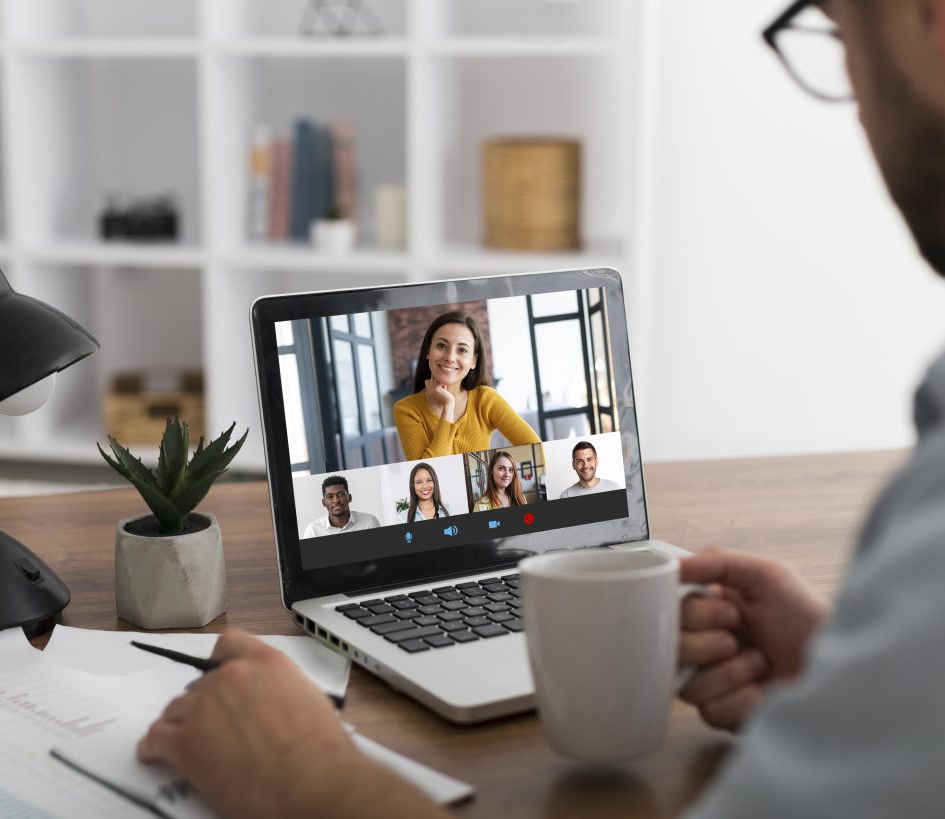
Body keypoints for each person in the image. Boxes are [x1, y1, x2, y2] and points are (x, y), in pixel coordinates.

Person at [139, 2, 945, 816]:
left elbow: (528, 457)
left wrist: (302, 776)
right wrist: (857, 682)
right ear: (427, 357)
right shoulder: (415, 408)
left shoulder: (488, 398)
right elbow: (431, 465)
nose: (849, 82)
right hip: (404, 573)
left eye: (841, 30)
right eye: (441, 351)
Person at [392, 311, 541, 460]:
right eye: (441, 345)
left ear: (473, 361)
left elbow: (535, 448)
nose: (450, 357)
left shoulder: (486, 399)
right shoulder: (406, 409)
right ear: (428, 351)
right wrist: (448, 407)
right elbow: (427, 473)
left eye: (462, 350)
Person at [300, 475, 381, 538]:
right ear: (323, 502)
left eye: (341, 494)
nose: (336, 500)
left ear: (349, 497)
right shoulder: (313, 530)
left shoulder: (369, 521)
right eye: (330, 496)